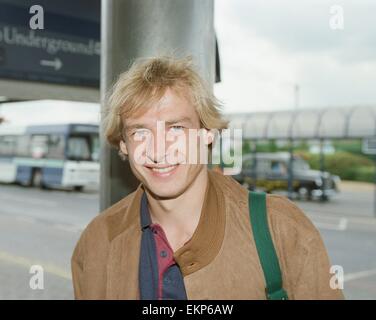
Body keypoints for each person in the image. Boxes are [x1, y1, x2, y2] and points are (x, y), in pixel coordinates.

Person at [71, 56, 344, 300]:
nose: (158, 150)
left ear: (208, 133)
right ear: (123, 145)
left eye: (176, 128)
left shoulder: (280, 228)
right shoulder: (96, 244)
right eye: (140, 132)